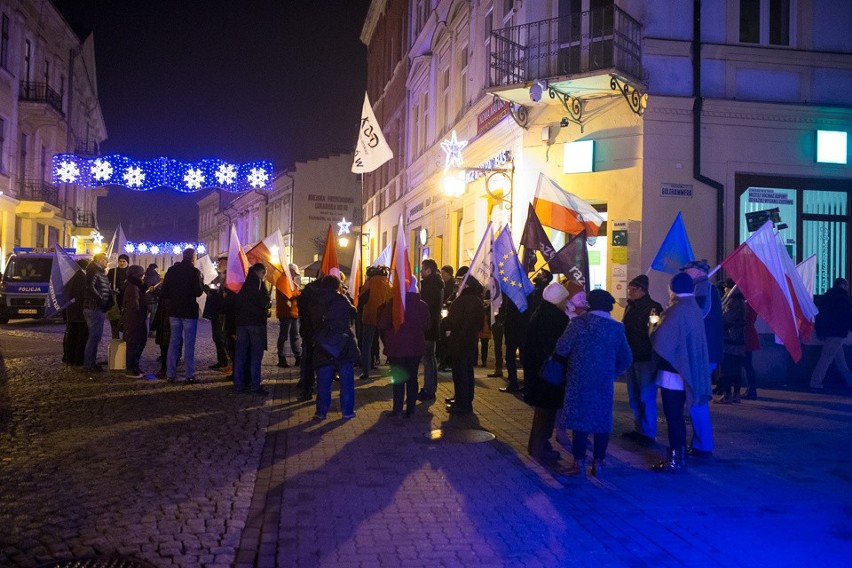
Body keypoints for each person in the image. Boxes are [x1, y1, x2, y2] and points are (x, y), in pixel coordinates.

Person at [555, 289, 632, 477]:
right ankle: (599, 463)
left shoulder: (578, 324)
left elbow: (562, 348)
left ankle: (578, 463)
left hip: (579, 379)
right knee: (601, 421)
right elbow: (627, 358)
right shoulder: (616, 328)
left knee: (580, 422)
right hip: (603, 381)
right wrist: (612, 373)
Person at [650, 273, 711, 473]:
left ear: (673, 288)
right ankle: (679, 454)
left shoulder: (676, 310)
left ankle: (677, 457)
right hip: (686, 370)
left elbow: (661, 340)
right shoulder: (694, 308)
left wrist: (652, 325)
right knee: (678, 415)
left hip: (672, 373)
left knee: (673, 415)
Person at [523, 282, 570, 463]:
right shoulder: (554, 318)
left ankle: (539, 445)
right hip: (548, 374)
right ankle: (539, 447)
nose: (566, 303)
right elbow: (558, 346)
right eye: (564, 299)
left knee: (544, 411)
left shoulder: (542, 313)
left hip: (540, 373)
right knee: (546, 412)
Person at [680, 259, 722, 457]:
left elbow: (699, 314)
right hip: (704, 351)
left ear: (696, 271)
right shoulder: (703, 287)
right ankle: (701, 443)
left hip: (702, 352)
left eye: (687, 270)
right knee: (696, 399)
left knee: (697, 400)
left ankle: (702, 445)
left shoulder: (703, 288)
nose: (684, 273)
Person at [621, 274, 663, 446]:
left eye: (634, 289)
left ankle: (648, 432)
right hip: (631, 356)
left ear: (643, 290)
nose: (630, 291)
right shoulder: (629, 306)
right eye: (629, 288)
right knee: (634, 395)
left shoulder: (653, 308)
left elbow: (655, 330)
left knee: (646, 395)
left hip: (645, 357)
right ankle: (638, 428)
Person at [378, 282, 430, 418]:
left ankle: (398, 410)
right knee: (412, 378)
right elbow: (427, 325)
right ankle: (411, 409)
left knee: (398, 379)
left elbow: (383, 323)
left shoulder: (394, 304)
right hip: (415, 347)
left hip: (397, 347)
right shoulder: (422, 305)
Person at [311, 275, 360, 420]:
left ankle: (321, 412)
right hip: (343, 342)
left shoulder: (315, 300)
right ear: (337, 286)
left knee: (324, 379)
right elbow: (354, 313)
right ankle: (347, 411)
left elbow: (311, 321)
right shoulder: (341, 299)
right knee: (346, 379)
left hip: (323, 343)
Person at [443, 273, 485, 414]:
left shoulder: (461, 301)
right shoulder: (478, 300)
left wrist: (444, 321)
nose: (458, 285)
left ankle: (462, 404)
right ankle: (466, 400)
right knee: (467, 372)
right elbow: (480, 324)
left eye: (461, 283)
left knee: (460, 374)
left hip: (459, 341)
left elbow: (451, 322)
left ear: (466, 285)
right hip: (470, 341)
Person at [160, 248, 203, 383]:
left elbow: (165, 291)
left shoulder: (172, 271)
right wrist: (201, 283)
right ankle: (189, 374)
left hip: (174, 311)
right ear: (193, 258)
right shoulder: (194, 272)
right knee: (189, 344)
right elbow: (198, 292)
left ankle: (170, 374)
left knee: (173, 343)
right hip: (189, 311)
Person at [234, 263, 272, 395]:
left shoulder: (242, 282)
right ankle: (255, 385)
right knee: (256, 355)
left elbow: (236, 302)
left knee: (240, 354)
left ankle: (238, 384)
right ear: (261, 272)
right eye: (264, 274)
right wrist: (268, 301)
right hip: (255, 323)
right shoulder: (260, 285)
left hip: (241, 323)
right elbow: (264, 303)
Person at [809, 278, 852, 390]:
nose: (848, 287)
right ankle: (815, 382)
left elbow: (819, 315)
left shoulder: (827, 297)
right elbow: (847, 316)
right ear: (843, 285)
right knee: (826, 358)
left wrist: (819, 330)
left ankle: (849, 381)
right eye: (847, 285)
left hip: (829, 332)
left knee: (840, 360)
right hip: (837, 333)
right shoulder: (843, 298)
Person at [358, 266, 392, 380]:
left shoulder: (369, 283)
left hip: (370, 317)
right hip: (385, 318)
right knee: (389, 344)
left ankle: (366, 371)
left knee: (367, 345)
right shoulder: (388, 284)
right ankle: (393, 368)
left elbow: (362, 299)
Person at [717, 279, 746, 404]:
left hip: (729, 339)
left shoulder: (732, 302)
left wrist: (720, 313)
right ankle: (736, 394)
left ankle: (727, 394)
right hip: (739, 339)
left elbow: (726, 318)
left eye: (726, 287)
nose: (725, 290)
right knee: (736, 368)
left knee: (726, 368)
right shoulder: (741, 302)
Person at [418, 258, 443, 401]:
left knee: (428, 359)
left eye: (422, 269)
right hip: (433, 326)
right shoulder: (436, 284)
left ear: (428, 270)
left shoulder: (430, 285)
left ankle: (428, 389)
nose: (421, 271)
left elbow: (426, 308)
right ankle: (431, 387)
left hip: (428, 327)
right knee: (431, 359)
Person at [82, 253, 111, 372]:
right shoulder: (93, 270)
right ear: (99, 260)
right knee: (94, 337)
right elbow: (91, 286)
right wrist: (101, 300)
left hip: (97, 307)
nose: (107, 262)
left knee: (96, 337)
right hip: (94, 307)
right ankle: (89, 364)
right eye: (105, 260)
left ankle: (91, 362)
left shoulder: (99, 271)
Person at [297, 277, 322, 401]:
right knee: (322, 361)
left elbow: (300, 309)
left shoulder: (306, 293)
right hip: (321, 332)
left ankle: (307, 388)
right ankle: (320, 389)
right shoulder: (322, 295)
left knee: (309, 361)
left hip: (308, 331)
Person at [121, 265, 148, 379]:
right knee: (133, 345)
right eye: (142, 274)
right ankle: (130, 369)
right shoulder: (133, 287)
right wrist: (143, 311)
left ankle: (134, 366)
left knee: (138, 344)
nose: (144, 276)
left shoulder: (135, 286)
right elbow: (134, 306)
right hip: (134, 321)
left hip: (136, 320)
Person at [202, 255, 229, 370]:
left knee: (221, 337)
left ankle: (226, 362)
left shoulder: (229, 277)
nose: (219, 265)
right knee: (216, 337)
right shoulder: (218, 277)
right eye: (219, 264)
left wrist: (216, 291)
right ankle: (221, 360)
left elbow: (225, 294)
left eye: (221, 263)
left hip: (222, 312)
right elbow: (212, 289)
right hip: (215, 311)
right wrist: (206, 289)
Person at [63, 259, 90, 367]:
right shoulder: (81, 278)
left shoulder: (71, 277)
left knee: (72, 336)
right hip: (79, 313)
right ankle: (78, 359)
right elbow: (81, 296)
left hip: (72, 312)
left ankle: (70, 358)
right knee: (80, 337)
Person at [276, 263, 302, 368]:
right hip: (286, 313)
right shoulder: (283, 280)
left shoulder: (290, 282)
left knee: (294, 336)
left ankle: (298, 357)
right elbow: (288, 295)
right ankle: (282, 357)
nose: (295, 275)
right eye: (294, 273)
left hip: (293, 313)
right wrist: (298, 293)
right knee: (284, 336)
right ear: (290, 271)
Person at [106, 254, 129, 339]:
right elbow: (107, 283)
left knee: (125, 323)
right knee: (114, 321)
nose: (122, 263)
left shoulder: (130, 272)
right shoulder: (113, 271)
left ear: (127, 262)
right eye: (120, 261)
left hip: (125, 299)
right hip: (115, 299)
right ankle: (115, 340)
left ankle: (125, 341)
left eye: (124, 261)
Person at [437, 265, 455, 371]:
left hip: (450, 315)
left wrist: (447, 302)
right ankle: (443, 361)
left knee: (448, 339)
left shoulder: (453, 285)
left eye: (443, 273)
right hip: (443, 314)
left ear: (449, 274)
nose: (442, 275)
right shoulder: (442, 284)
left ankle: (447, 362)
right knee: (442, 339)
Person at [143, 263, 161, 334]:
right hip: (153, 299)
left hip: (145, 299)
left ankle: (142, 331)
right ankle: (151, 331)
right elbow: (157, 287)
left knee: (143, 317)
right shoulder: (155, 276)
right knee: (153, 317)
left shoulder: (145, 275)